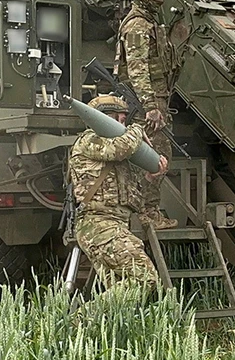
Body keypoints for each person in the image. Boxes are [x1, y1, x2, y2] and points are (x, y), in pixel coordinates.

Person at [69, 95, 169, 290]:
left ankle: (82, 321)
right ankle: (79, 320)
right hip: (98, 225)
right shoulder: (89, 141)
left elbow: (132, 199)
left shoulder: (118, 158)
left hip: (116, 225)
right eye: (120, 120)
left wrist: (149, 178)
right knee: (145, 280)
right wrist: (138, 129)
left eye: (125, 121)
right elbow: (122, 147)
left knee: (122, 292)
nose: (124, 126)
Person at [117, 0, 178, 230]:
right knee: (155, 158)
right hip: (146, 105)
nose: (160, 4)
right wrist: (152, 107)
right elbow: (137, 69)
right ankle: (147, 212)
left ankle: (147, 210)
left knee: (157, 156)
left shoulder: (149, 23)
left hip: (154, 100)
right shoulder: (138, 26)